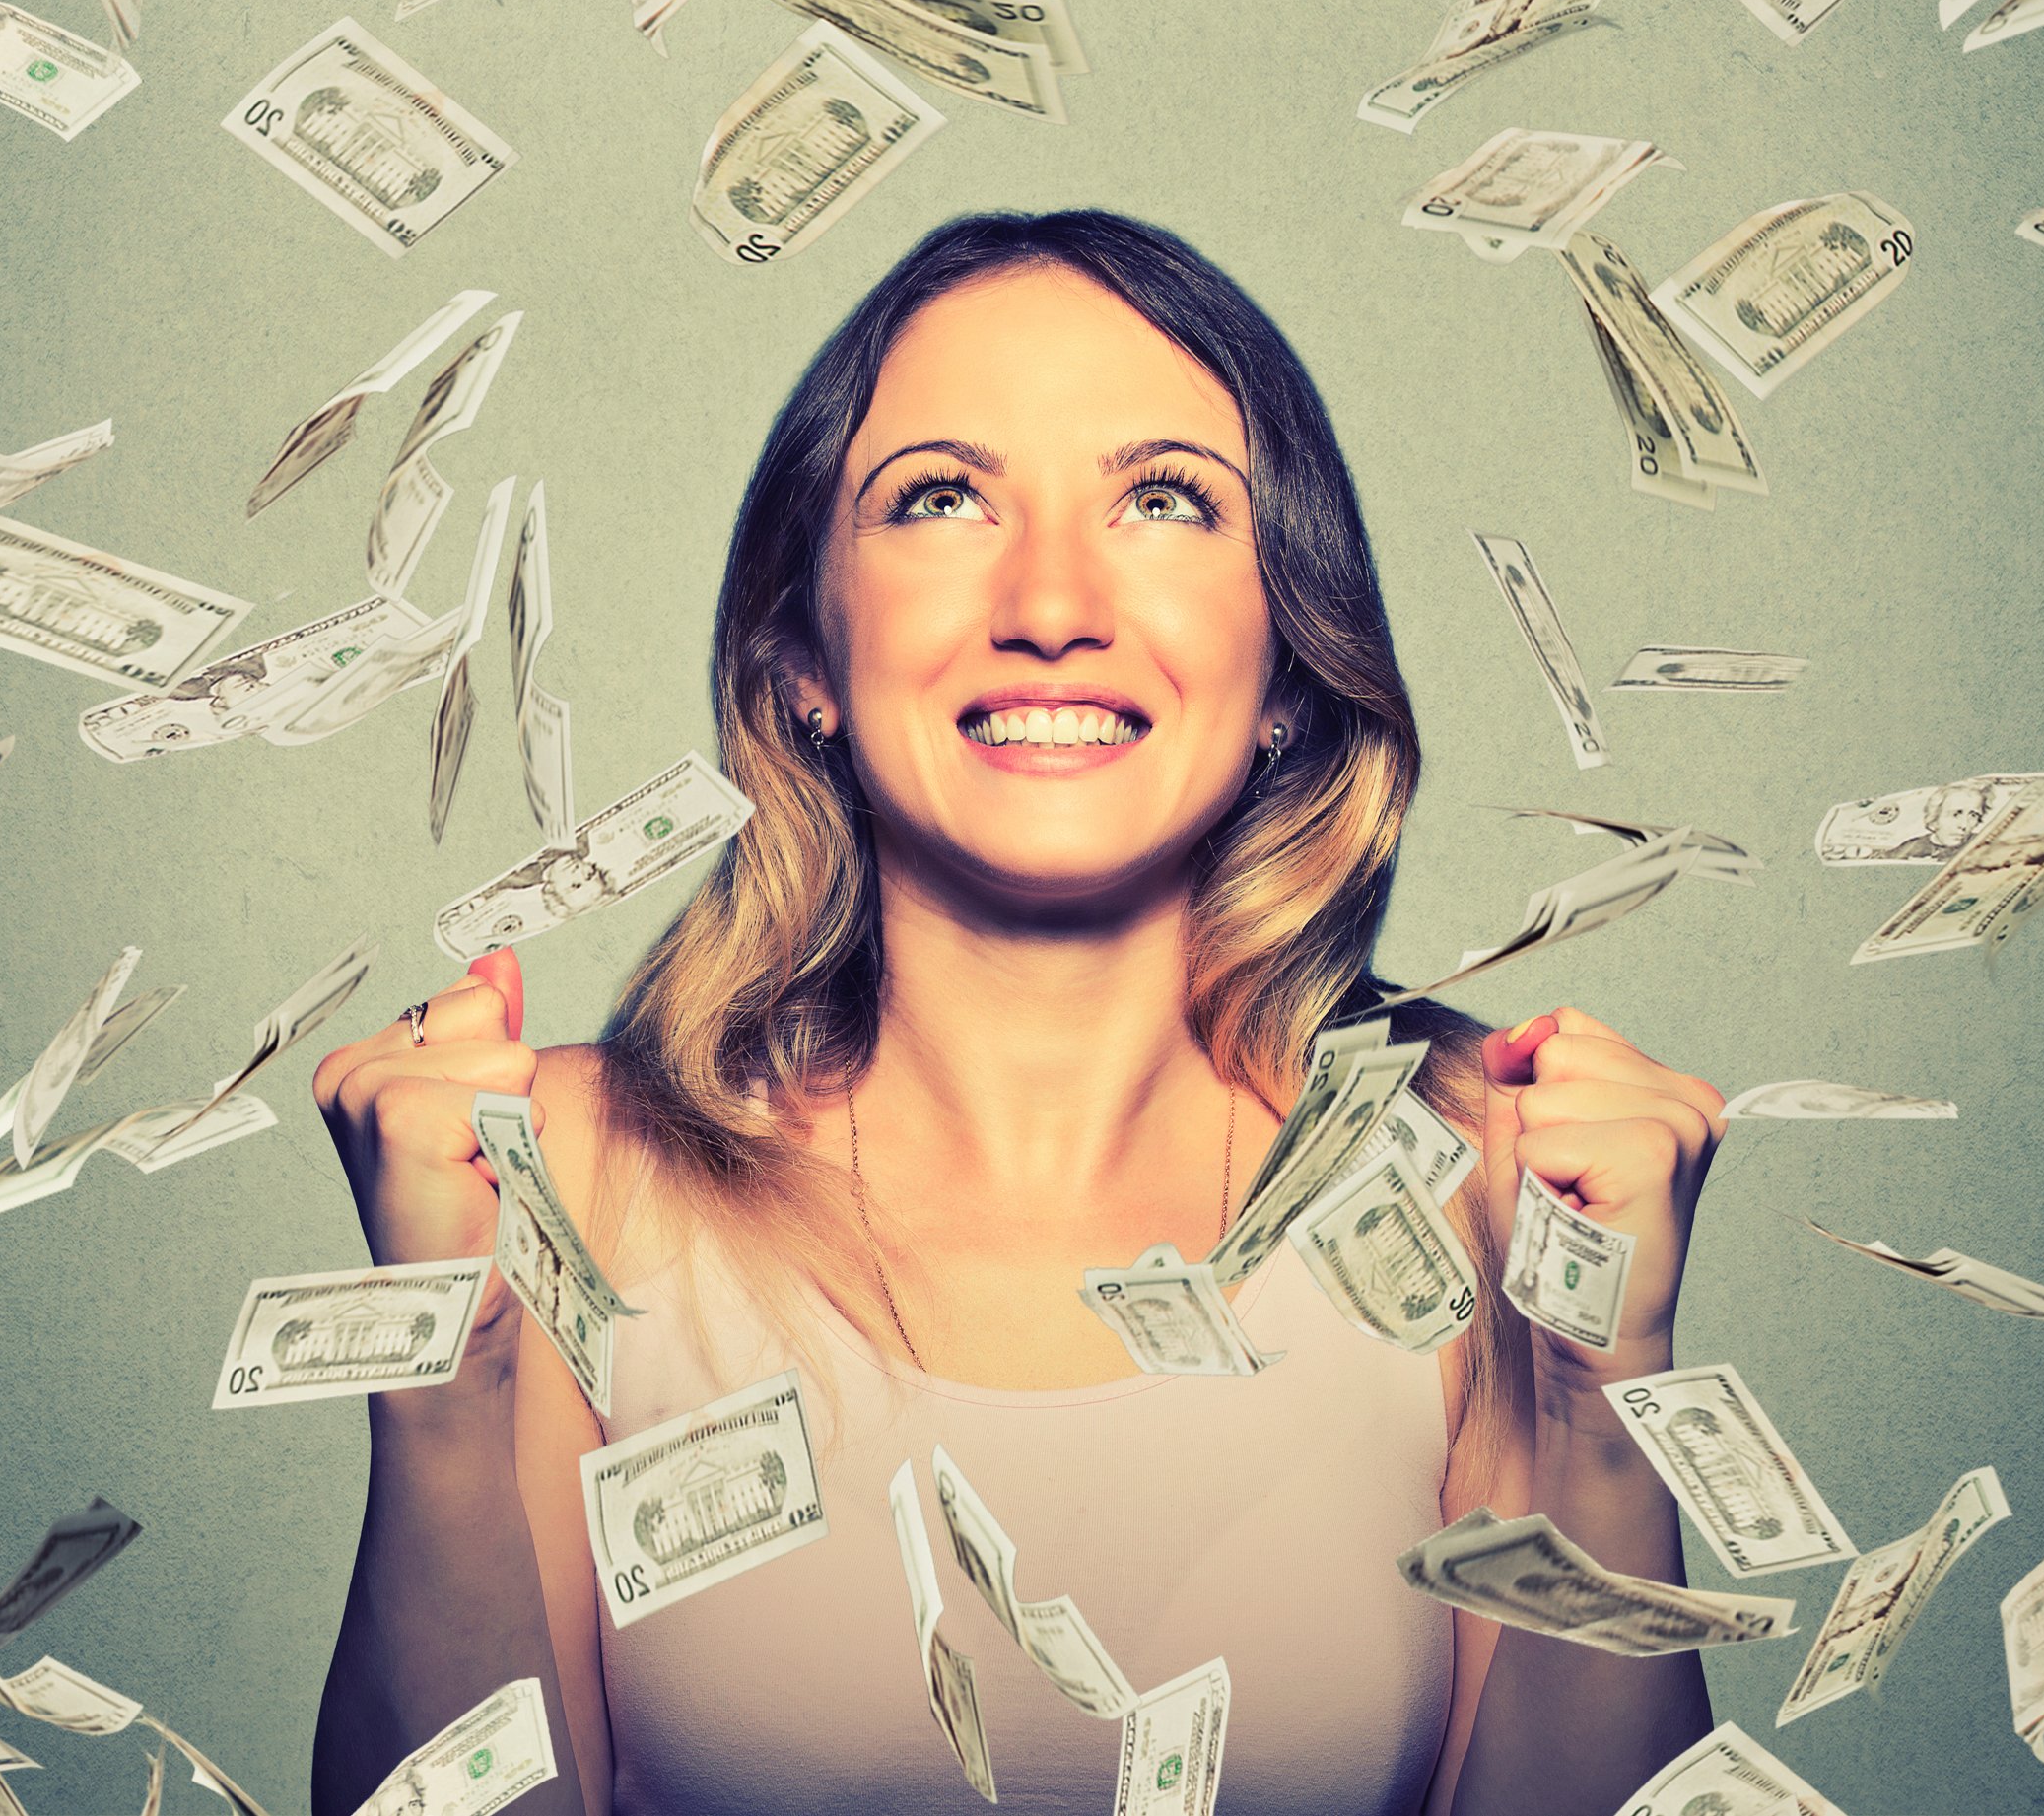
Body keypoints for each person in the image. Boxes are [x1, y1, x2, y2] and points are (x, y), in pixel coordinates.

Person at [309, 210, 1730, 1816]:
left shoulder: (1479, 1171)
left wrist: (1610, 1392)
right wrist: (440, 1370)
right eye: (940, 497)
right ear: (802, 661)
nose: (1053, 600)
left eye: (1164, 501)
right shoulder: (562, 1172)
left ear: (1283, 667)